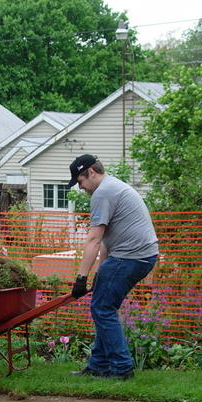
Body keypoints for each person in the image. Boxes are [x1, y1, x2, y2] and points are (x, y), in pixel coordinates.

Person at [67, 154, 158, 380]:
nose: (80, 187)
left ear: (91, 173)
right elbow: (106, 241)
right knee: (102, 308)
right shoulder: (112, 186)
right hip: (139, 255)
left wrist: (81, 278)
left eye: (80, 181)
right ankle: (99, 365)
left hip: (131, 257)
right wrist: (99, 272)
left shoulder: (104, 193)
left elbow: (94, 239)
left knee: (102, 309)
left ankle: (121, 368)